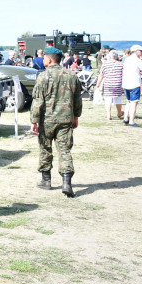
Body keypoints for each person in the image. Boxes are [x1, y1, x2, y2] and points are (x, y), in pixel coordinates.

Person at [30, 47, 82, 197]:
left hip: (46, 121)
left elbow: (37, 101)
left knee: (45, 150)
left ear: (50, 60)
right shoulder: (72, 75)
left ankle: (46, 181)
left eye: (45, 57)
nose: (44, 60)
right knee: (65, 151)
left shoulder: (42, 77)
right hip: (65, 120)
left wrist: (34, 120)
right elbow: (77, 99)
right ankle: (66, 183)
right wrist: (76, 116)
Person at [121, 45, 142, 126]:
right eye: (140, 51)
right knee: (134, 103)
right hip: (134, 83)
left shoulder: (127, 59)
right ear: (136, 51)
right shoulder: (137, 60)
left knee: (128, 101)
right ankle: (131, 121)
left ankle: (126, 118)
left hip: (126, 83)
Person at [95, 50, 124, 120]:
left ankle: (109, 115)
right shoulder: (121, 64)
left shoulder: (105, 64)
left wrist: (98, 84)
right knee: (118, 99)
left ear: (110, 56)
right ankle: (119, 112)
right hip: (118, 84)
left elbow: (101, 75)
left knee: (107, 99)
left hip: (108, 84)